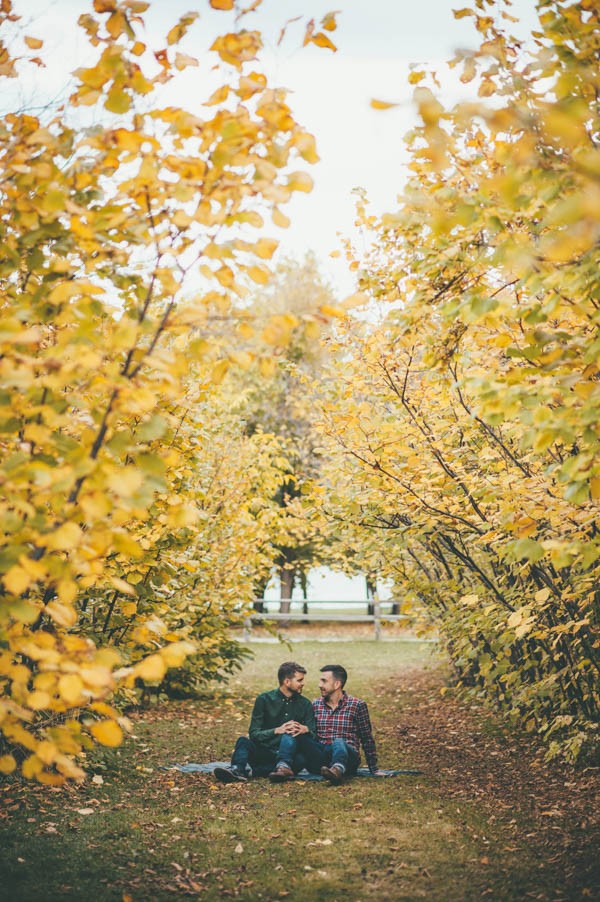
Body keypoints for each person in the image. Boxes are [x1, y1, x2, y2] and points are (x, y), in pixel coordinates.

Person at [214, 661, 316, 784]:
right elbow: (254, 734)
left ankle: (262, 771)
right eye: (299, 680)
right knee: (243, 741)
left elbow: (314, 735)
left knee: (301, 759)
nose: (303, 683)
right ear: (287, 682)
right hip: (265, 752)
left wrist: (305, 729)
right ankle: (237, 770)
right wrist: (277, 730)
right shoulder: (264, 699)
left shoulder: (305, 704)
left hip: (290, 757)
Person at [298, 664, 381, 784]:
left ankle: (338, 769)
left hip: (348, 759)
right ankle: (284, 766)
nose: (319, 685)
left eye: (324, 681)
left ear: (337, 684)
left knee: (338, 741)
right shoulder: (315, 705)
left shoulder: (357, 705)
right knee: (302, 737)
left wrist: (374, 769)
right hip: (322, 760)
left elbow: (367, 738)